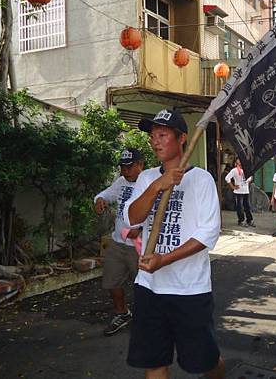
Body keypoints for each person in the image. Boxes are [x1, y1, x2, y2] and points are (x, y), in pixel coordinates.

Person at [123, 109, 224, 379]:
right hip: (149, 287)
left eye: (163, 135)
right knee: (154, 361)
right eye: (152, 136)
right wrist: (158, 185)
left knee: (204, 362)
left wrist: (163, 260)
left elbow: (208, 233)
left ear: (182, 139)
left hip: (190, 289)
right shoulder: (146, 178)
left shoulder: (201, 179)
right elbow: (133, 218)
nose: (155, 141)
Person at [94, 148, 145, 336]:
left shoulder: (150, 182)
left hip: (140, 245)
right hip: (118, 242)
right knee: (111, 280)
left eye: (130, 167)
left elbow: (159, 212)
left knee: (144, 285)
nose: (125, 171)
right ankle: (122, 313)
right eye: (123, 167)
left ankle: (149, 319)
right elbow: (106, 194)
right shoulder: (121, 182)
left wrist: (140, 229)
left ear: (141, 164)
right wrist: (100, 199)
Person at [225, 158, 255, 228]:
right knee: (240, 207)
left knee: (247, 206)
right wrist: (233, 187)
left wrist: (248, 180)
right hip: (238, 192)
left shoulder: (246, 169)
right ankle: (241, 220)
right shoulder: (234, 170)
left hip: (246, 191)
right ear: (236, 163)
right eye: (238, 160)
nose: (240, 161)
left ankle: (249, 220)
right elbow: (227, 178)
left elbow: (250, 178)